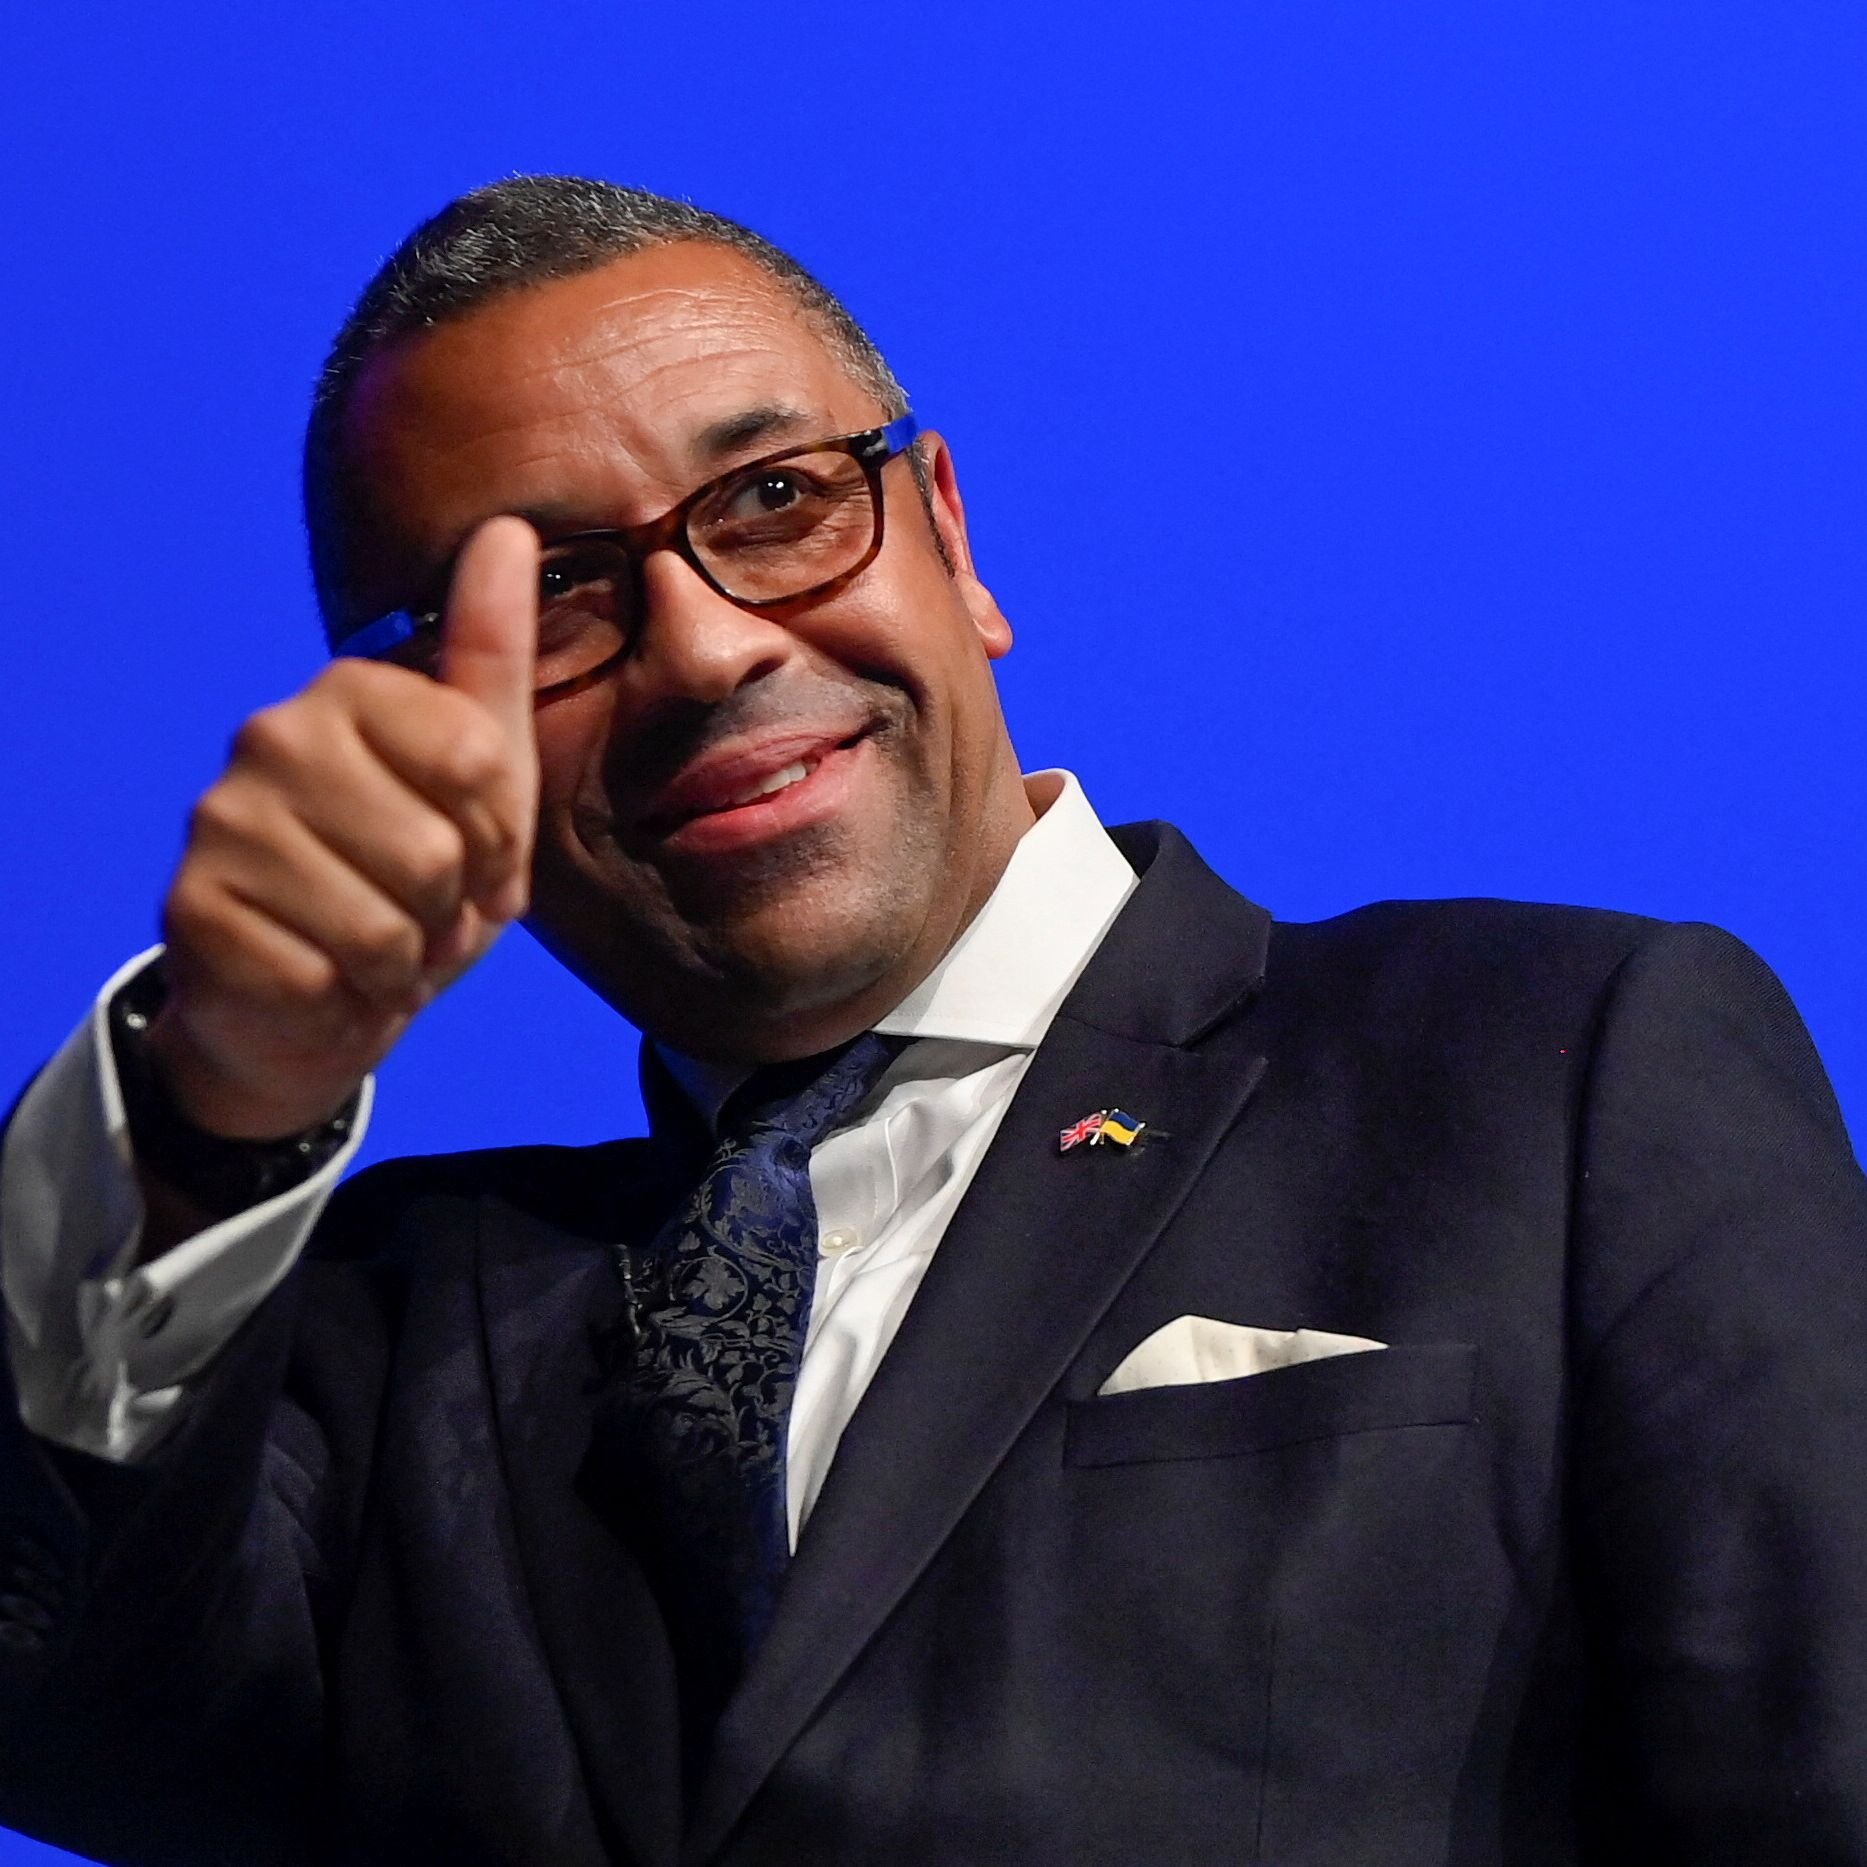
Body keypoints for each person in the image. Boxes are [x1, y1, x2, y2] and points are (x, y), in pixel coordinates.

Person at [1, 176, 1864, 1867]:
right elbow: (62, 1713)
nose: (710, 647)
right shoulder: (357, 1348)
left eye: (775, 501)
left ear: (950, 537)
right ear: (406, 721)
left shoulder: (1558, 1070)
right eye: (555, 591)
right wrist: (211, 1098)